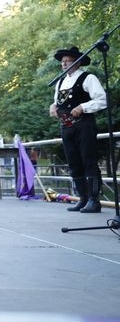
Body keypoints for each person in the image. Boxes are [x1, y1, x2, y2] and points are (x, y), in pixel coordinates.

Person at [48, 46, 107, 213]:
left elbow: (103, 100)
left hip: (84, 125)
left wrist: (83, 107)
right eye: (63, 61)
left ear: (78, 62)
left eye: (68, 61)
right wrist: (53, 106)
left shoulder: (88, 78)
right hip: (66, 127)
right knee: (73, 162)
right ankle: (83, 198)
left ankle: (94, 200)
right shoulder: (60, 81)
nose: (64, 64)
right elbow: (58, 102)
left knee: (89, 160)